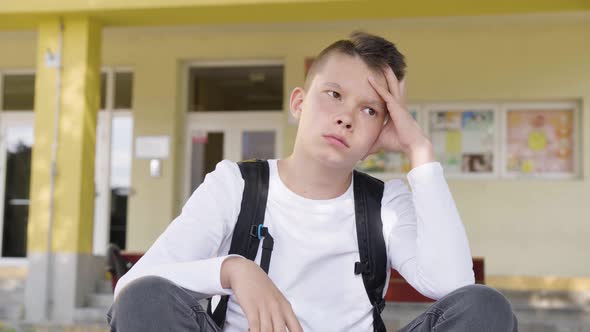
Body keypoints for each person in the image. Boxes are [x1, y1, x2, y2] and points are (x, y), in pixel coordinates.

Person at [107, 32, 518, 332]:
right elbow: (134, 289)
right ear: (299, 102)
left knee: (484, 308)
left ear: (380, 135)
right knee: (145, 299)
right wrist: (234, 270)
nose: (347, 116)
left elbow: (455, 286)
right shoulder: (235, 185)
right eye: (334, 94)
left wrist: (421, 155)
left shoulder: (385, 203)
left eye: (371, 110)